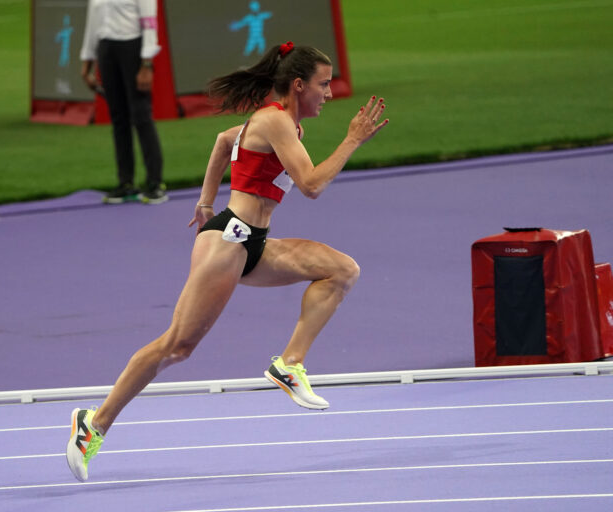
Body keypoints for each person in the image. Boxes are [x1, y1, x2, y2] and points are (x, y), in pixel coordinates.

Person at [66, 41, 389, 482]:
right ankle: (94, 423)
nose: (329, 93)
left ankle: (289, 364)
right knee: (177, 346)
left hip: (251, 240)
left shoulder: (281, 124)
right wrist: (353, 139)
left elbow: (222, 141)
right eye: (323, 84)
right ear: (299, 85)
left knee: (341, 269)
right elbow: (312, 185)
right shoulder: (275, 120)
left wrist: (204, 200)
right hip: (229, 241)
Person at [80, 0, 167, 204]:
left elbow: (150, 23)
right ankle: (126, 183)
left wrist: (147, 63)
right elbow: (93, 24)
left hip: (132, 48)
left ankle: (155, 183)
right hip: (106, 48)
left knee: (141, 115)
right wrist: (87, 62)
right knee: (118, 118)